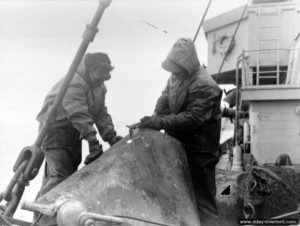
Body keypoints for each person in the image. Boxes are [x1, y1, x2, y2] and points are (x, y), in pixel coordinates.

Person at [138, 38, 222, 226]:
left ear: (186, 63)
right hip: (179, 145)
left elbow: (193, 118)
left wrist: (159, 122)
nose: (174, 71)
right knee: (178, 195)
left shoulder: (204, 83)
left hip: (201, 152)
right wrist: (157, 113)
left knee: (202, 201)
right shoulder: (176, 75)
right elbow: (165, 97)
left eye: (177, 66)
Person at [35, 52, 123, 199]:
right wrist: (92, 140)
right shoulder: (73, 82)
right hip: (55, 132)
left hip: (75, 132)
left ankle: (53, 214)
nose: (102, 77)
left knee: (69, 175)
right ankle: (42, 216)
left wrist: (111, 137)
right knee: (60, 175)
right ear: (90, 69)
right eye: (99, 72)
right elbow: (78, 113)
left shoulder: (98, 87)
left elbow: (101, 113)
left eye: (105, 73)